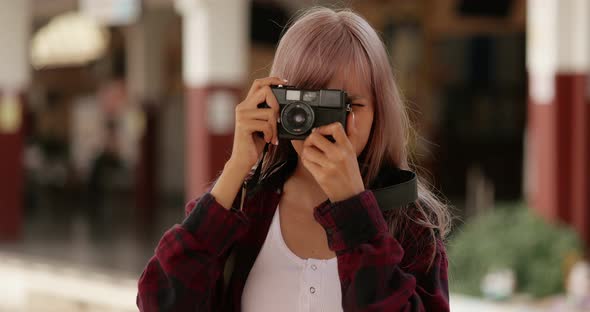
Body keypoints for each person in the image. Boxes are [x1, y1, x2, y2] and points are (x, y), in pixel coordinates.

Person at [137, 7, 451, 312]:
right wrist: (235, 168)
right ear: (279, 102)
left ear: (379, 111)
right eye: (312, 104)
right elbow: (160, 303)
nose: (332, 125)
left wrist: (354, 211)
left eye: (350, 105)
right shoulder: (248, 206)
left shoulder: (411, 219)